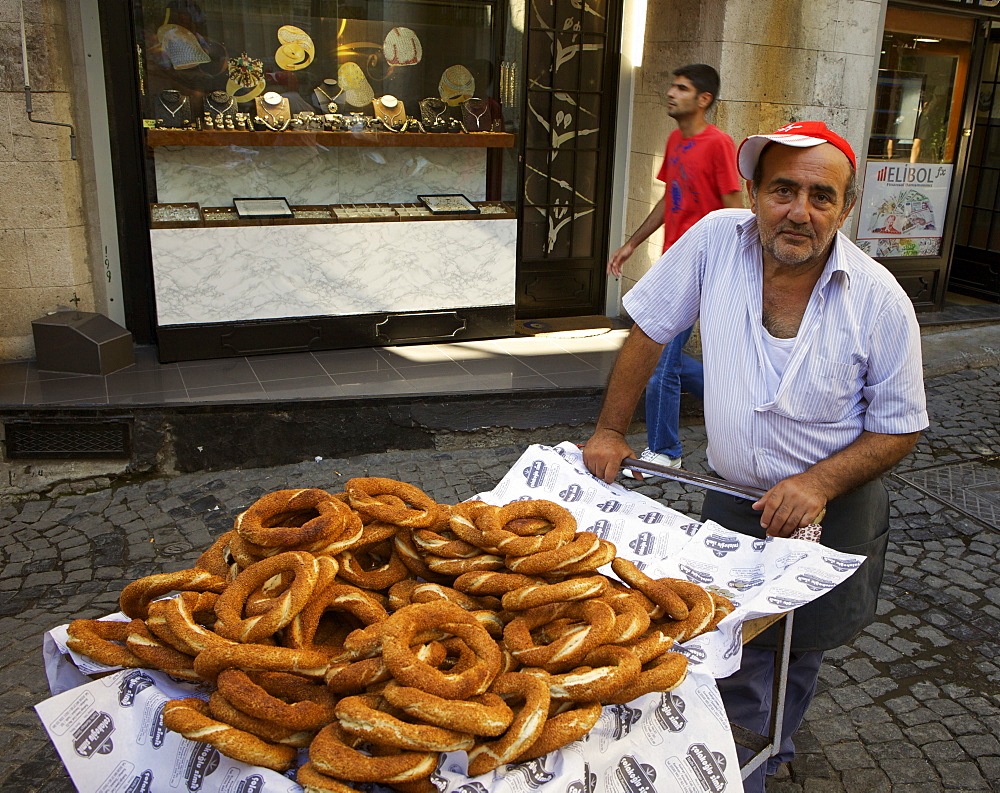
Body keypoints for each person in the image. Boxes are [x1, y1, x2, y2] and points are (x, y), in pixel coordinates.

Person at [584, 121, 928, 792]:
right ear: (753, 192)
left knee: (792, 650)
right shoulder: (715, 240)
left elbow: (901, 427)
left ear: (845, 208)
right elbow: (651, 330)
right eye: (784, 190)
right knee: (708, 635)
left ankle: (759, 758)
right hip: (734, 492)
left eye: (821, 196)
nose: (801, 211)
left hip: (834, 501)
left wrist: (820, 482)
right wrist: (607, 431)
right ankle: (723, 747)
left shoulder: (881, 301)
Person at [606, 64, 743, 477]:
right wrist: (632, 243)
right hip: (673, 265)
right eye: (672, 85)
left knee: (659, 365)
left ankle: (665, 450)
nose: (670, 92)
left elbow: (736, 207)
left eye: (681, 88)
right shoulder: (675, 140)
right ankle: (733, 394)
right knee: (672, 360)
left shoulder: (718, 144)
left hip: (704, 269)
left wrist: (737, 268)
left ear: (703, 100)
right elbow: (670, 200)